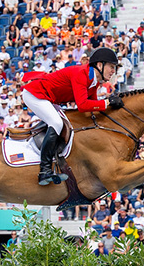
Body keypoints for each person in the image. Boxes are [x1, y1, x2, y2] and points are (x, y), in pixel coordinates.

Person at [21, 47, 123, 185]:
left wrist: (111, 107)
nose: (113, 71)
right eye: (111, 67)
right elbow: (82, 105)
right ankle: (44, 171)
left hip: (49, 99)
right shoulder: (81, 73)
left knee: (67, 123)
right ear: (100, 65)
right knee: (57, 124)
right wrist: (106, 103)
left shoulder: (94, 82)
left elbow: (92, 108)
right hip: (36, 94)